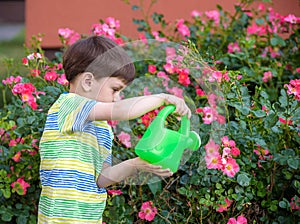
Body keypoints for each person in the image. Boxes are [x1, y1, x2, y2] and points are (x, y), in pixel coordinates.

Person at [38, 35, 191, 223]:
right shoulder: (69, 105)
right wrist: (162, 98)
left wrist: (136, 164)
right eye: (114, 89)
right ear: (88, 82)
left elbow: (101, 179)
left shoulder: (101, 128)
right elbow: (121, 110)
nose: (117, 98)